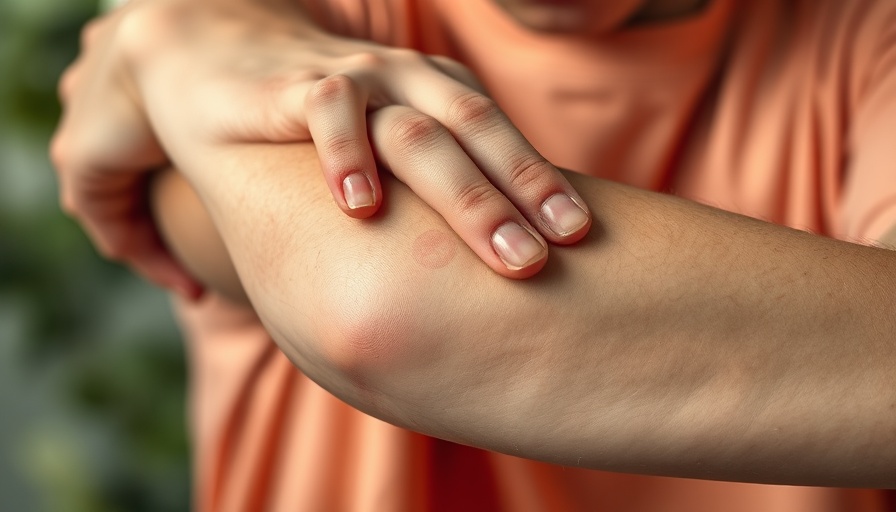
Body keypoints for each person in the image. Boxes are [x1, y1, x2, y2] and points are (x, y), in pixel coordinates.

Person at [52, 0, 896, 510]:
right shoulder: (297, 29)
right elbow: (383, 305)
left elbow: (395, 302)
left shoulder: (866, 41)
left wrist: (163, 41)